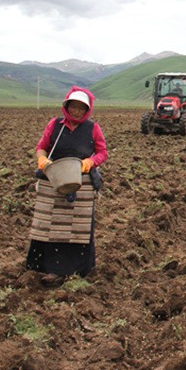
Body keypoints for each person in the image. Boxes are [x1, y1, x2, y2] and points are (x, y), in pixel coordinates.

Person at [26, 87, 108, 287]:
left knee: (77, 225)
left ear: (87, 110)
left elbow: (102, 152)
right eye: (73, 107)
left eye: (81, 108)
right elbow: (41, 147)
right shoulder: (55, 125)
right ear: (67, 106)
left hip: (81, 182)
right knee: (50, 221)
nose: (76, 111)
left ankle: (72, 268)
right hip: (54, 178)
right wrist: (43, 160)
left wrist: (89, 163)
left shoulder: (92, 128)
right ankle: (43, 265)